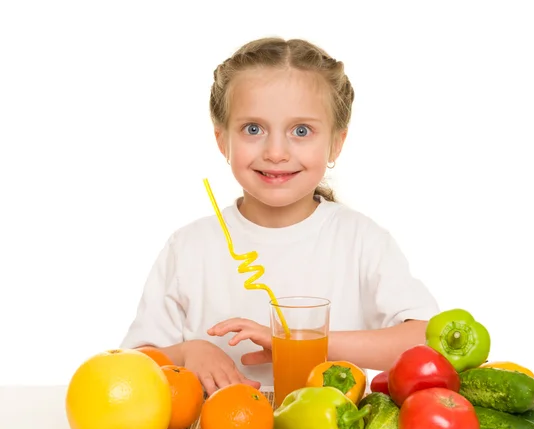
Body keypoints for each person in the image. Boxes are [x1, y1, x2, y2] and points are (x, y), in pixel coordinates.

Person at [120, 37, 439, 396]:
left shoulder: (361, 240)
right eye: (253, 129)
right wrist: (188, 351)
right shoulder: (189, 247)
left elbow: (427, 341)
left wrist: (301, 343)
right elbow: (131, 367)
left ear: (336, 142)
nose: (275, 152)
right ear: (222, 139)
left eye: (301, 131)